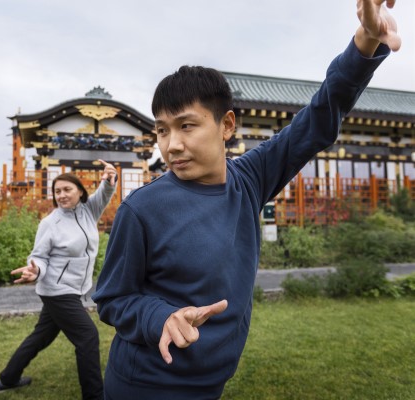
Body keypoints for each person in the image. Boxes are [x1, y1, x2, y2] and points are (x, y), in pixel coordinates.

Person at [93, 1, 403, 399]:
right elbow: (113, 299)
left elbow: (318, 119)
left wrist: (365, 42)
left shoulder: (249, 180)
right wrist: (161, 316)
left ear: (226, 126)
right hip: (148, 382)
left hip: (213, 379)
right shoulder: (142, 209)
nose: (173, 145)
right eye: (162, 131)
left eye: (187, 126)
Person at [0, 160, 117, 400]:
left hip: (73, 288)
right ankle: (94, 396)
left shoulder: (88, 210)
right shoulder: (50, 223)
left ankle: (7, 379)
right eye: (57, 191)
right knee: (88, 337)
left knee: (41, 336)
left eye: (67, 190)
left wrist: (110, 176)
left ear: (79, 191)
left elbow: (104, 193)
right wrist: (35, 271)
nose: (61, 195)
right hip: (57, 290)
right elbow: (39, 256)